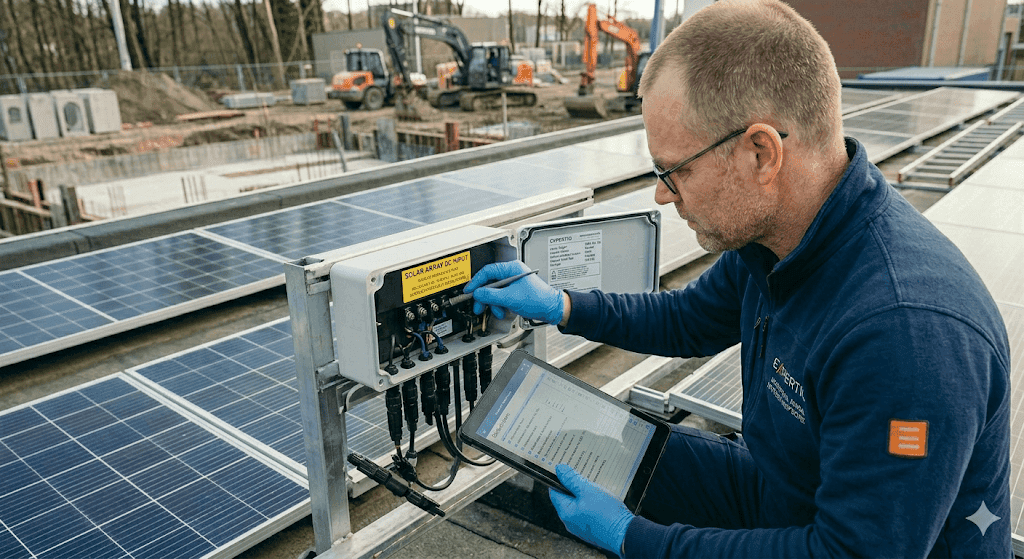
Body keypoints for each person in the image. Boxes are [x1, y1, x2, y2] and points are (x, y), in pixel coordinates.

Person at [461, 0, 1012, 557]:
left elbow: (850, 553)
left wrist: (639, 540)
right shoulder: (778, 242)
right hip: (787, 489)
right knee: (587, 450)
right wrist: (560, 304)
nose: (662, 194)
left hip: (840, 539)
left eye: (676, 171)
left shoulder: (905, 334)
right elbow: (689, 320)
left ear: (761, 153)